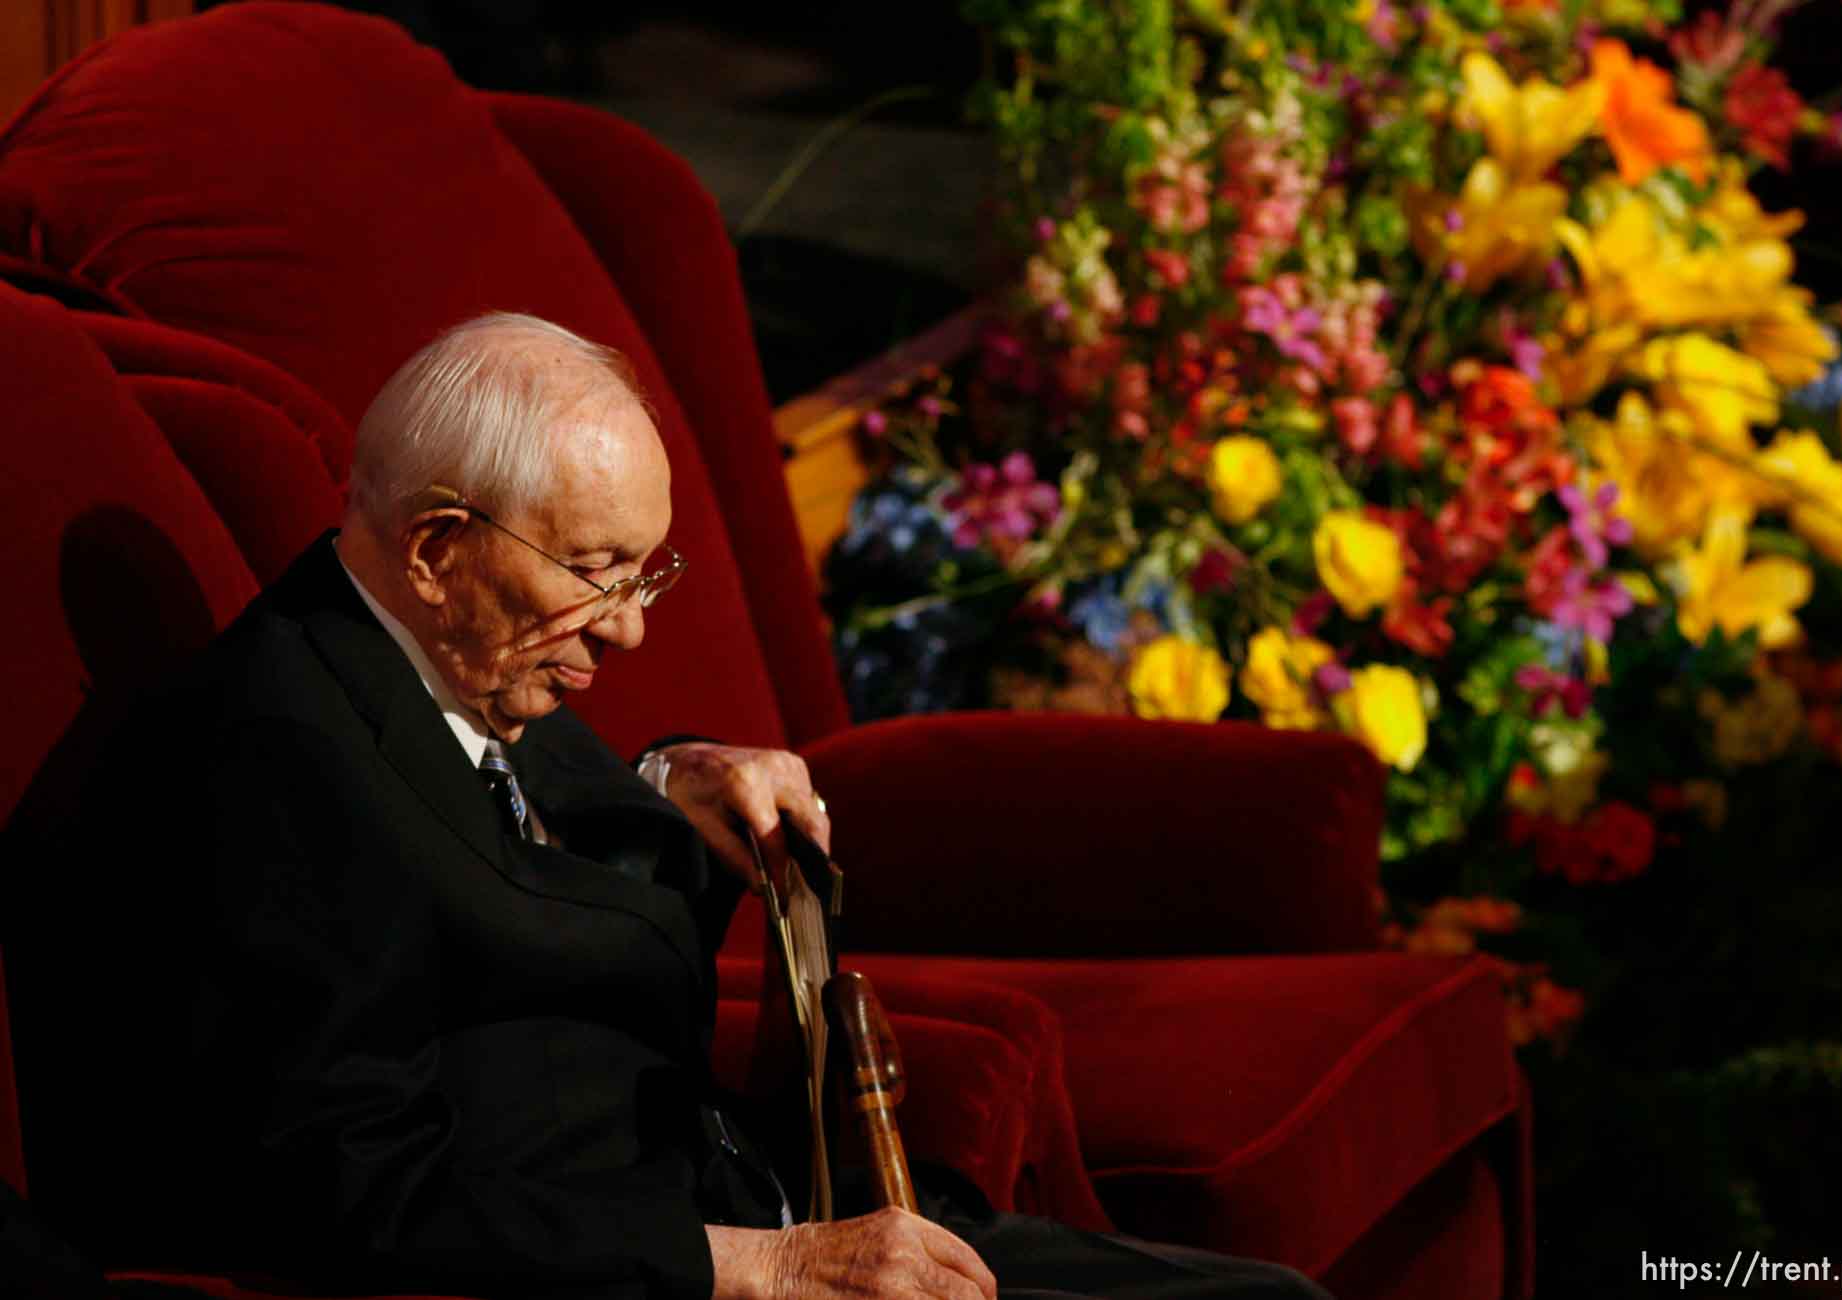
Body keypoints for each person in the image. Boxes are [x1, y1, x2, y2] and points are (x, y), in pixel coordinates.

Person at [15, 314, 1328, 1300]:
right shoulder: (271, 756)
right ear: (434, 546)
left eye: (648, 573)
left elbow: (507, 867)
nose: (632, 626)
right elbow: (339, 1195)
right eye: (597, 573)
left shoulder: (451, 653)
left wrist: (668, 779)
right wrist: (763, 1268)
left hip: (743, 1195)